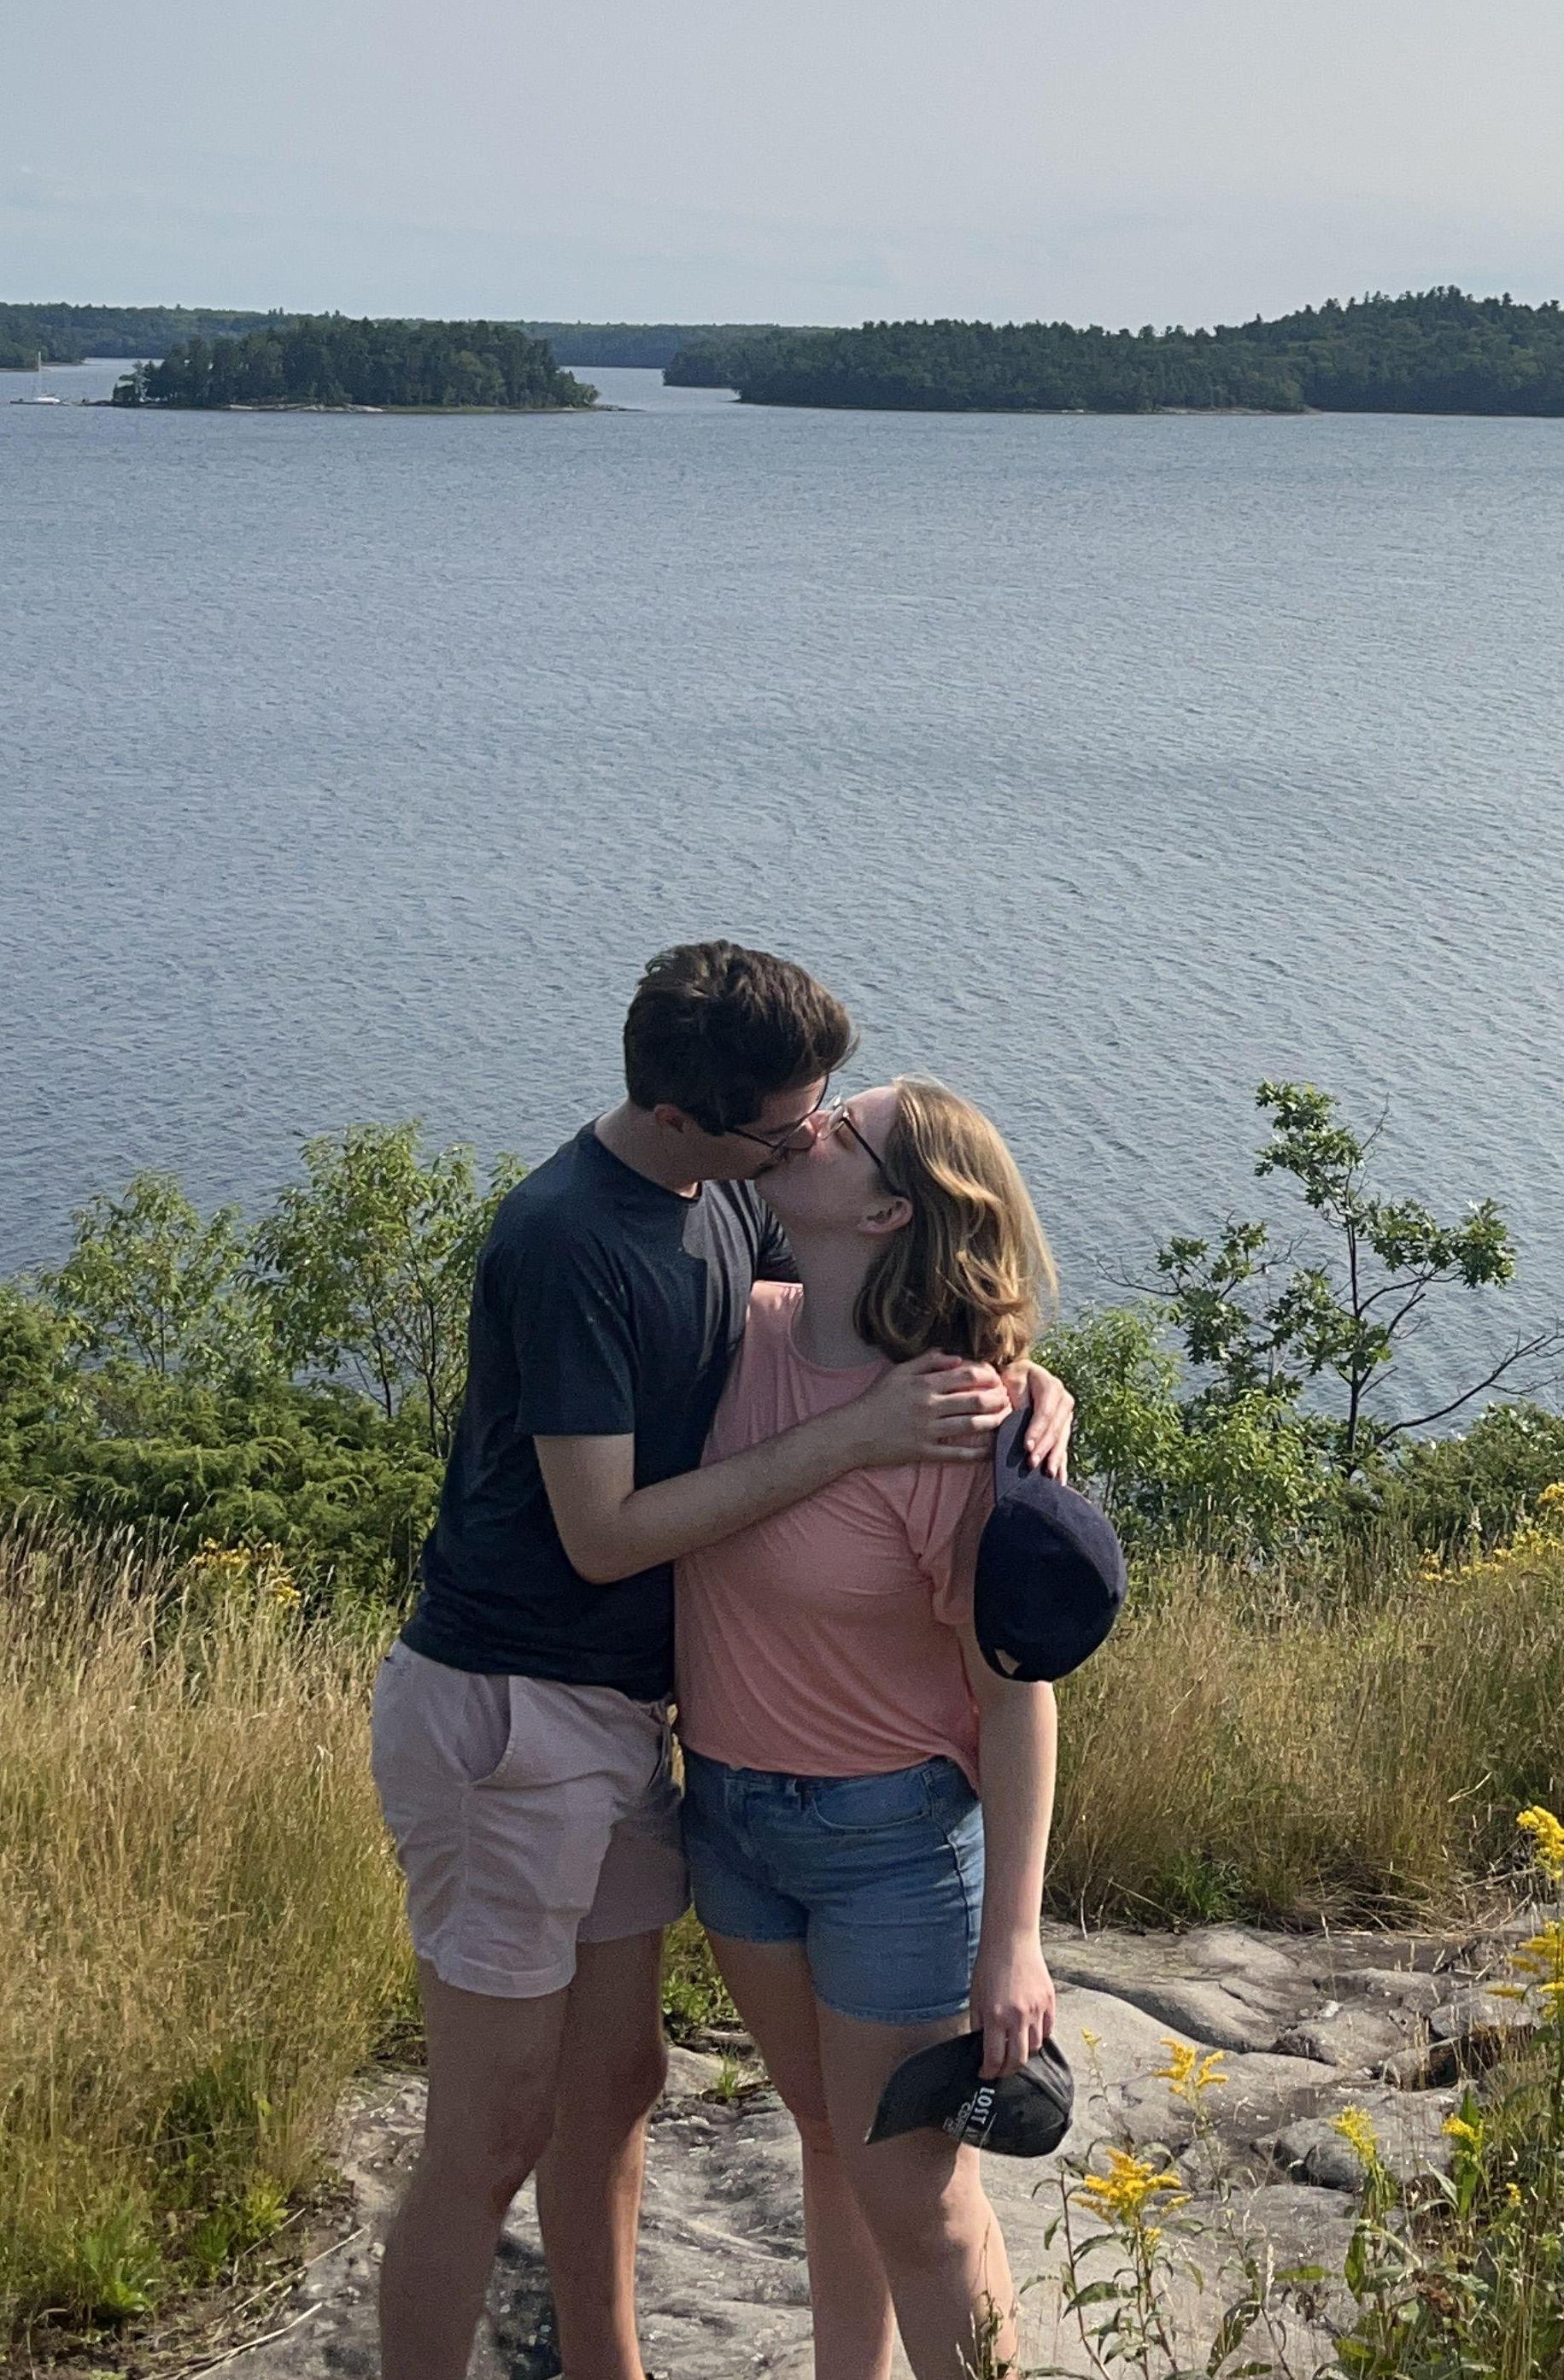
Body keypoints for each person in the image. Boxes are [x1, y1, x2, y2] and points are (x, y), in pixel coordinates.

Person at [369, 943, 1073, 2380]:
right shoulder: (582, 1245)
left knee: (650, 2099)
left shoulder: (733, 1211)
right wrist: (865, 1435)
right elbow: (605, 1535)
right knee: (503, 2133)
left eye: (832, 1120)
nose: (807, 1136)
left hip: (718, 1767)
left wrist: (1024, 1385)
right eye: (793, 1123)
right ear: (690, 1123)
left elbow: (872, 1318)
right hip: (532, 1724)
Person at [675, 1076, 1063, 2380]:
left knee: (921, 2202)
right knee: (831, 2142)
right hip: (730, 1822)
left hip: (892, 1846)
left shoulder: (956, 1425)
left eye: (846, 1129)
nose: (810, 1124)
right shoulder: (736, 1327)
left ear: (890, 1210)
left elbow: (1016, 1694)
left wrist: (1014, 1941)